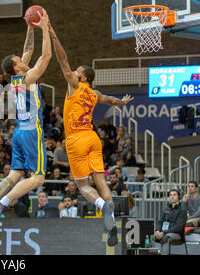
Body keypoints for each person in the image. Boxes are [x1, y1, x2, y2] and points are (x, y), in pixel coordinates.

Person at [48, 21, 134, 246]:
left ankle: (102, 206)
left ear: (83, 78)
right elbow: (111, 100)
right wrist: (122, 103)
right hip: (93, 138)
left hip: (76, 139)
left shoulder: (74, 86)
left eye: (78, 72)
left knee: (83, 185)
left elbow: (62, 60)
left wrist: (53, 35)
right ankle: (112, 221)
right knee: (100, 180)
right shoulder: (94, 93)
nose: (74, 72)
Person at [0, 9, 52, 232]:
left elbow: (28, 49)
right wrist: (45, 28)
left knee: (14, 174)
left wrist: (30, 28)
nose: (22, 59)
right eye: (18, 60)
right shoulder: (29, 77)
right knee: (38, 178)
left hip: (19, 132)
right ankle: (2, 204)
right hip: (31, 132)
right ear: (16, 67)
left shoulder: (15, 79)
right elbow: (46, 57)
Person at [154, 189, 187, 255]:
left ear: (179, 197)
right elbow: (160, 221)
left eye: (174, 195)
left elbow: (178, 227)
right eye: (171, 195)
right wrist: (157, 230)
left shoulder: (182, 210)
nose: (172, 197)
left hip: (177, 234)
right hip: (164, 232)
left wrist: (164, 232)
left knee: (166, 237)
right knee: (151, 236)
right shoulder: (167, 208)